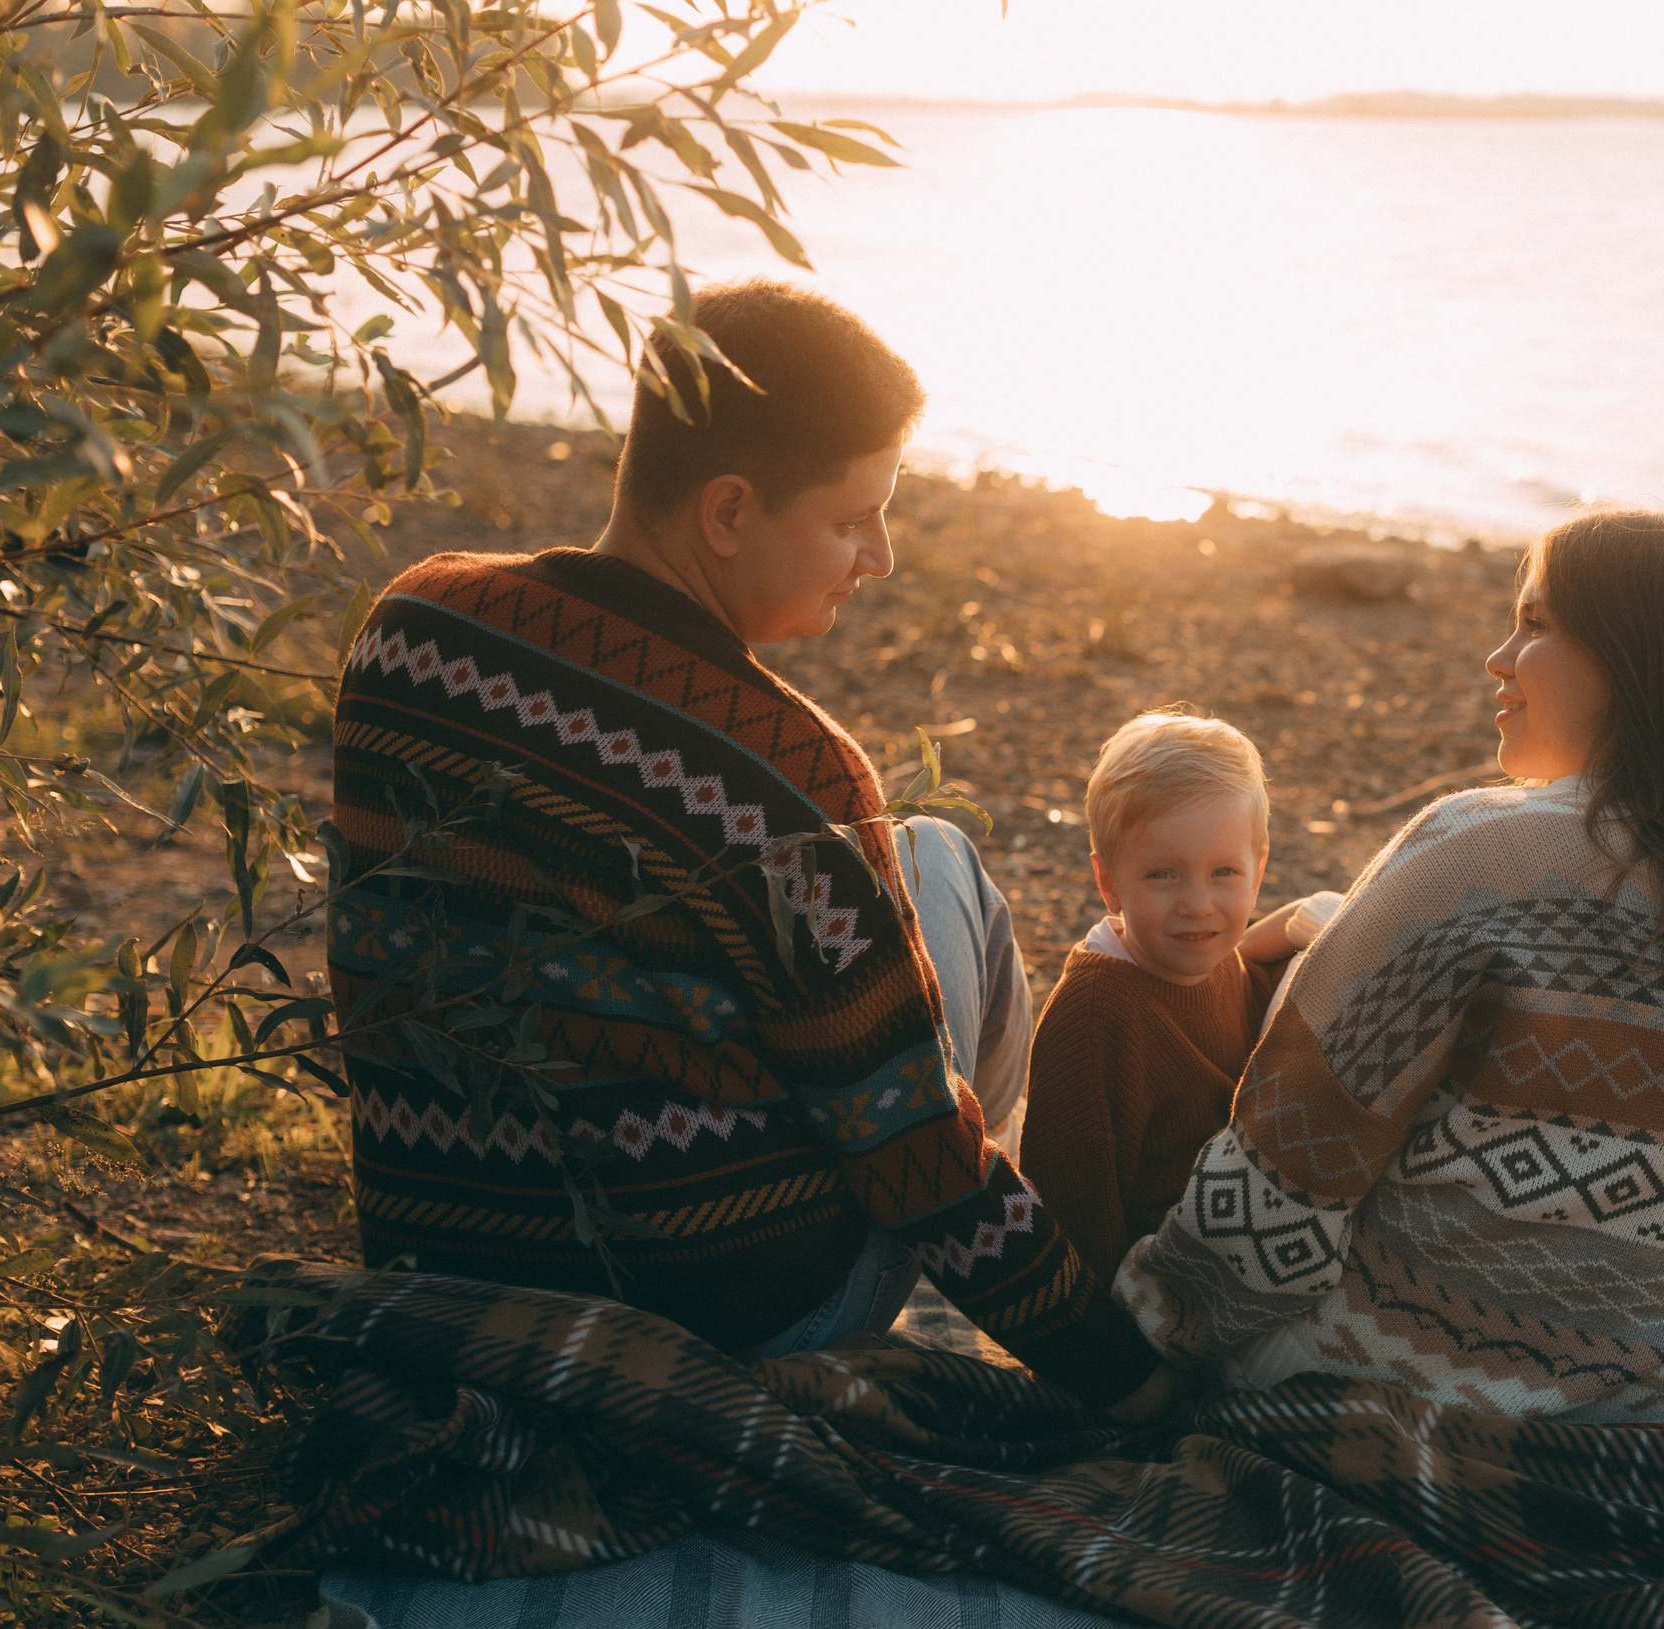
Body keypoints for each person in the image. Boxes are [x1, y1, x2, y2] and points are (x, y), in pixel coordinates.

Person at [328, 279, 1178, 1419]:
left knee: (887, 878)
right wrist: (1126, 1382)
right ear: (727, 513)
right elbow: (916, 1156)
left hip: (441, 1261)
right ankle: (1011, 1299)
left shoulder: (413, 630)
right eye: (851, 518)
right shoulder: (783, 779)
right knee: (943, 875)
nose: (878, 557)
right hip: (717, 1318)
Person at [1115, 510, 1664, 1427]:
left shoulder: (1484, 849)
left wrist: (1154, 1331)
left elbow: (1290, 1177)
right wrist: (1348, 930)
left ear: (1638, 658)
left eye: (1538, 625)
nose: (1499, 658)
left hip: (1415, 1384)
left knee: (1224, 998)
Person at [1017, 711, 1339, 1286]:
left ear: (1257, 872)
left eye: (1223, 872)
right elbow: (1069, 1212)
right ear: (1108, 881)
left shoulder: (1214, 958)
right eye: (1163, 875)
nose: (1197, 904)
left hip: (1241, 1241)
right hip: (1154, 1292)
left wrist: (1301, 921)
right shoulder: (1094, 1016)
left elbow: (1253, 991)